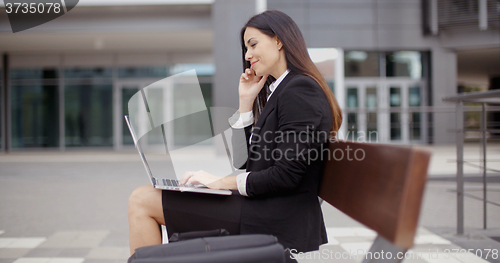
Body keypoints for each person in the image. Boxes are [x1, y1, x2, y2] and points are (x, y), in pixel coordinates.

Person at [127, 10, 342, 255]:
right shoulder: (282, 90)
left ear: (279, 40)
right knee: (144, 196)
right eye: (245, 49)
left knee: (142, 200)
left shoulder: (299, 89)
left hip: (273, 216)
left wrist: (218, 182)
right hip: (262, 207)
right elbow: (244, 162)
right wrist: (245, 104)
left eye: (253, 45)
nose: (248, 55)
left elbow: (285, 176)